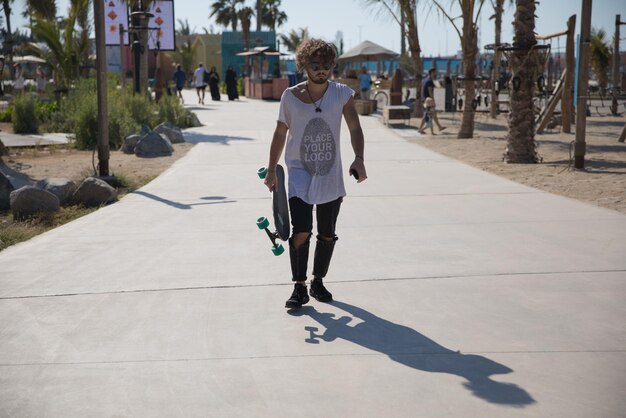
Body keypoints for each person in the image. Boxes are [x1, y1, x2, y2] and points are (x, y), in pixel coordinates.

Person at [264, 38, 367, 309]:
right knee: (301, 231)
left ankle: (317, 280)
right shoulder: (290, 97)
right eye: (315, 64)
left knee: (327, 234)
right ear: (304, 65)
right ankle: (299, 287)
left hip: (330, 174)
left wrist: (359, 159)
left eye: (326, 65)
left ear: (332, 65)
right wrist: (273, 170)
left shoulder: (342, 94)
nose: (321, 69)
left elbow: (355, 128)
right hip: (299, 173)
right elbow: (279, 132)